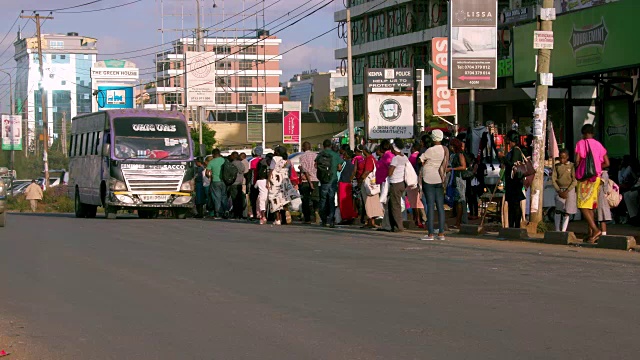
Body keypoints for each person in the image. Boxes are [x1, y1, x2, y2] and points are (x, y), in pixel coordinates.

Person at [575, 124, 609, 243]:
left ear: (583, 133)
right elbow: (607, 163)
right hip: (596, 178)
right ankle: (591, 235)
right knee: (590, 206)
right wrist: (596, 168)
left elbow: (577, 160)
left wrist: (582, 168)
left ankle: (595, 230)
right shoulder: (599, 145)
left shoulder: (581, 143)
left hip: (585, 179)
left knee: (582, 205)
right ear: (593, 133)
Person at [420, 130, 449, 241]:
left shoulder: (430, 150)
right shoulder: (444, 149)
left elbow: (420, 160)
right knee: (440, 207)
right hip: (439, 178)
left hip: (428, 178)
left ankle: (430, 234)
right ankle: (441, 234)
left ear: (433, 138)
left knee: (430, 206)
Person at [500, 130, 526, 228]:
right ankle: (511, 225)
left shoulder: (516, 150)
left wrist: (504, 158)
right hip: (511, 182)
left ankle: (516, 226)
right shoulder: (512, 150)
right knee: (511, 204)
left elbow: (513, 165)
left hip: (515, 182)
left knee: (515, 204)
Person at [316, 139, 342, 228]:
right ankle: (330, 221)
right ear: (330, 145)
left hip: (323, 180)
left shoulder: (320, 155)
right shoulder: (335, 155)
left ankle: (323, 220)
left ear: (323, 146)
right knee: (331, 200)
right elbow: (339, 167)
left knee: (323, 200)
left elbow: (316, 166)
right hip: (333, 180)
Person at [357, 145, 383, 229]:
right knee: (371, 203)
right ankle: (370, 221)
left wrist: (360, 180)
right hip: (372, 184)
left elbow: (367, 171)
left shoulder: (369, 159)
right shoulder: (372, 159)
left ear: (365, 151)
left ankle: (371, 221)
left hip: (368, 184)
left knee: (368, 203)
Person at [552, 149, 577, 232]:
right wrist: (559, 191)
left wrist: (567, 190)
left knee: (567, 211)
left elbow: (574, 180)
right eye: (560, 158)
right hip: (560, 190)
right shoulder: (557, 166)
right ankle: (557, 229)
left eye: (564, 158)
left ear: (567, 157)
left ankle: (563, 230)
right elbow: (553, 179)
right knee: (558, 210)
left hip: (569, 190)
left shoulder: (572, 166)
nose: (562, 160)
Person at [386, 139, 408, 232]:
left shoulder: (395, 158)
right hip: (402, 183)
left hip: (395, 183)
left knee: (395, 206)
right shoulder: (404, 157)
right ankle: (395, 225)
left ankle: (399, 226)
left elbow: (390, 172)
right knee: (397, 204)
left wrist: (388, 169)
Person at [267, 147, 292, 225]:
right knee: (284, 198)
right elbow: (290, 172)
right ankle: (286, 212)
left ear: (277, 152)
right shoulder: (288, 161)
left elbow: (271, 169)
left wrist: (268, 180)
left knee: (274, 199)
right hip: (285, 180)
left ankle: (277, 219)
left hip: (275, 181)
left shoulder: (275, 158)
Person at [448, 138, 467, 229]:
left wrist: (452, 169)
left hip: (459, 179)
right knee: (456, 200)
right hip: (455, 178)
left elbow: (463, 166)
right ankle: (458, 221)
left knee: (460, 200)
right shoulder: (453, 155)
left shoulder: (459, 155)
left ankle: (459, 222)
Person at [376, 140, 395, 232]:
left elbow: (390, 168)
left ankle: (387, 225)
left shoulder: (388, 156)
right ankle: (385, 224)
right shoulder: (387, 156)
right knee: (385, 204)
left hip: (386, 182)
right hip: (384, 181)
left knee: (385, 204)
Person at [299, 142, 320, 224]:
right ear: (310, 147)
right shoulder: (316, 155)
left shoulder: (302, 157)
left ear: (304, 147)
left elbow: (305, 170)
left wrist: (301, 169)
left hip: (306, 181)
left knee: (306, 200)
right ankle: (316, 211)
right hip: (315, 179)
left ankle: (307, 218)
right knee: (315, 198)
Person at [407, 141, 425, 228]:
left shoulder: (412, 157)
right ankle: (420, 219)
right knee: (418, 201)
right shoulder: (420, 155)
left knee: (415, 202)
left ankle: (418, 219)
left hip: (413, 182)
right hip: (420, 181)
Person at [338, 150, 358, 225]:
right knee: (348, 201)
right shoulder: (352, 164)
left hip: (343, 182)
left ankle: (345, 217)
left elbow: (339, 170)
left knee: (342, 201)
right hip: (349, 183)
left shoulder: (343, 163)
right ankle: (350, 216)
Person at [206, 148, 227, 218]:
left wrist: (209, 176)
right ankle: (225, 211)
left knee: (217, 197)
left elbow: (207, 173)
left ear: (213, 154)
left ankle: (218, 212)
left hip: (215, 181)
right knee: (224, 196)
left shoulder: (211, 162)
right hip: (224, 181)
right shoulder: (224, 160)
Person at [228, 152, 248, 219]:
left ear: (233, 156)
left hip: (234, 183)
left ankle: (236, 214)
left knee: (234, 199)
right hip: (240, 183)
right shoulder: (241, 164)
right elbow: (244, 171)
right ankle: (240, 214)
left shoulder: (232, 164)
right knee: (239, 199)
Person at [255, 153, 273, 225]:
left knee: (261, 207)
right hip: (268, 195)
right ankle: (267, 217)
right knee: (266, 206)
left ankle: (262, 217)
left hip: (261, 196)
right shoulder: (267, 181)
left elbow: (255, 187)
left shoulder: (258, 181)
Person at [249, 146, 264, 220]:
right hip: (263, 182)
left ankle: (255, 214)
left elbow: (250, 173)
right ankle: (262, 214)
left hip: (254, 183)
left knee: (253, 199)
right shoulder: (263, 160)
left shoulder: (252, 161)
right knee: (262, 199)